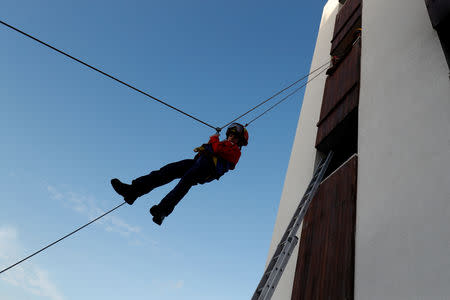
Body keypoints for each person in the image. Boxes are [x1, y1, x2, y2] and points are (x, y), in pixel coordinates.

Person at [110, 123, 249, 225]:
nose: (231, 137)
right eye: (230, 135)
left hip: (207, 170)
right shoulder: (223, 144)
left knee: (184, 184)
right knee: (167, 171)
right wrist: (209, 144)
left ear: (240, 141)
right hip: (197, 164)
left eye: (235, 137)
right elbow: (211, 149)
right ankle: (132, 191)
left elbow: (216, 148)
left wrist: (213, 139)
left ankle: (162, 210)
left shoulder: (235, 152)